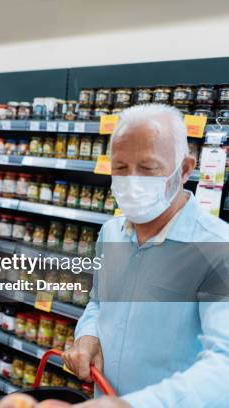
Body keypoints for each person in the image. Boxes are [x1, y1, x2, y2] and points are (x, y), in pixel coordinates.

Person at [64, 104, 229, 408]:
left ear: (185, 170)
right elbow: (100, 303)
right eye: (121, 168)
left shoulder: (217, 247)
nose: (132, 180)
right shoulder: (111, 233)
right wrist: (88, 336)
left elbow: (224, 365)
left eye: (148, 168)